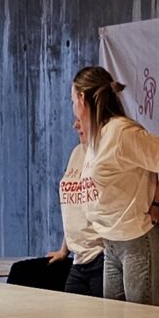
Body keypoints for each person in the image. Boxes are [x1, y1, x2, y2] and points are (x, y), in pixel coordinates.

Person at [69, 66, 159, 307]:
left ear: (81, 98)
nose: (73, 108)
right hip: (111, 243)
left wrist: (156, 202)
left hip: (137, 240)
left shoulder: (121, 132)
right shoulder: (96, 137)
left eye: (72, 101)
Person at [46, 118, 106, 298]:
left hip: (101, 256)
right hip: (78, 259)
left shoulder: (104, 155)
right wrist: (64, 249)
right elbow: (74, 206)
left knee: (103, 314)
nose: (75, 125)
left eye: (81, 119)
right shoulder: (77, 152)